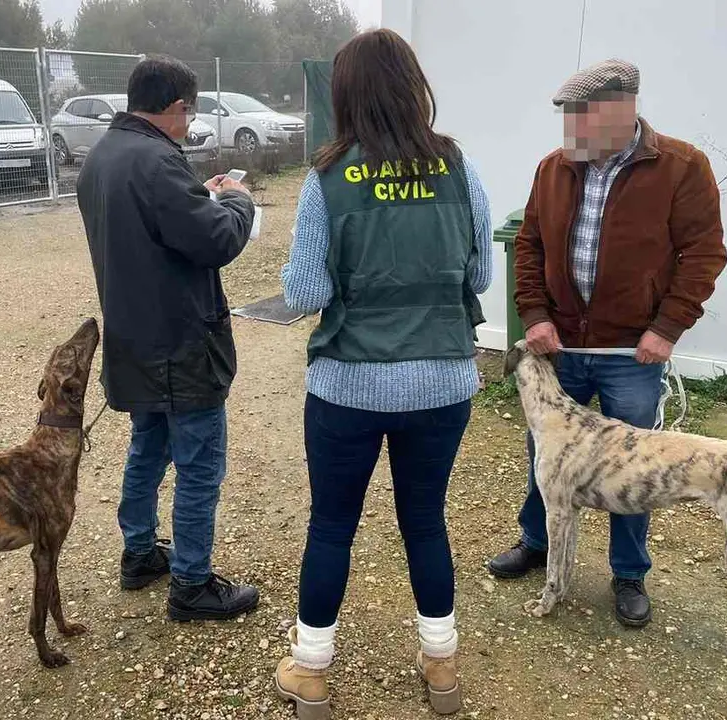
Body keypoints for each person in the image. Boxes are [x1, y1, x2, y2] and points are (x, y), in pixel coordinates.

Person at [273, 29, 493, 719]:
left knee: (332, 525)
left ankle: (311, 673)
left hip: (349, 386)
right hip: (442, 384)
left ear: (345, 96)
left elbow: (304, 291)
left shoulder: (328, 176)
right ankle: (441, 664)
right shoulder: (458, 168)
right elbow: (482, 272)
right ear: (412, 85)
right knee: (425, 522)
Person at [487, 58, 727, 628]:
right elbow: (530, 248)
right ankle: (537, 542)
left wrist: (667, 327)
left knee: (635, 470)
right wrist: (534, 315)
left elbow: (704, 253)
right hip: (562, 349)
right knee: (545, 456)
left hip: (630, 355)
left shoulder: (682, 167)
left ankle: (628, 573)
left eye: (579, 118)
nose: (570, 133)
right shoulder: (553, 168)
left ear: (621, 110)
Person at [75, 55, 260, 622]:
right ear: (179, 107)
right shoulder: (158, 162)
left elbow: (154, 225)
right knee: (199, 464)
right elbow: (216, 241)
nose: (189, 121)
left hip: (132, 340)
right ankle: (192, 584)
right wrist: (237, 200)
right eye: (190, 111)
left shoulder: (101, 157)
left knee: (147, 448)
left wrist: (195, 193)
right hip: (182, 344)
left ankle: (138, 554)